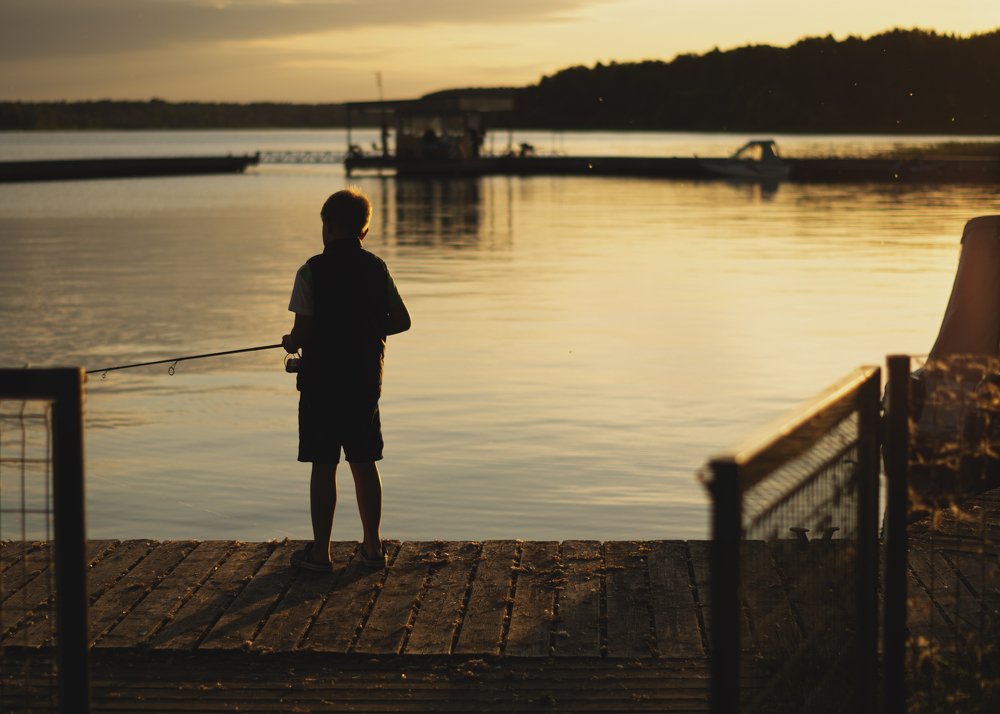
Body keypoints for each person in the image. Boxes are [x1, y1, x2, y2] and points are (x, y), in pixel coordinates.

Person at [282, 188, 411, 572]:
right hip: (364, 382)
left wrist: (291, 341)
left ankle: (320, 553)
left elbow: (301, 334)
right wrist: (368, 326)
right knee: (364, 460)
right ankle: (373, 547)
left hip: (321, 384)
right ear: (363, 231)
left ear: (327, 226)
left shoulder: (310, 271)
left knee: (323, 463)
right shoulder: (377, 268)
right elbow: (402, 321)